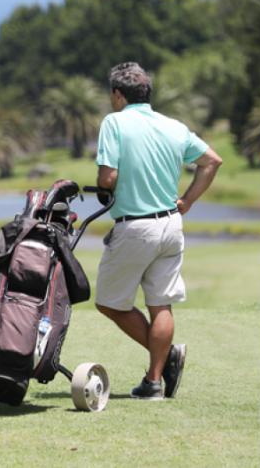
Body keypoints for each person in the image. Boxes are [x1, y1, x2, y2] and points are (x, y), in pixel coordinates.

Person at [93, 62, 222, 400]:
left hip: (135, 228)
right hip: (171, 225)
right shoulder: (174, 126)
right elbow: (212, 161)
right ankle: (153, 382)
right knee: (160, 305)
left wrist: (107, 185)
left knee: (110, 303)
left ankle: (165, 364)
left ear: (118, 95)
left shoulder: (114, 123)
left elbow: (107, 179)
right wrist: (189, 201)